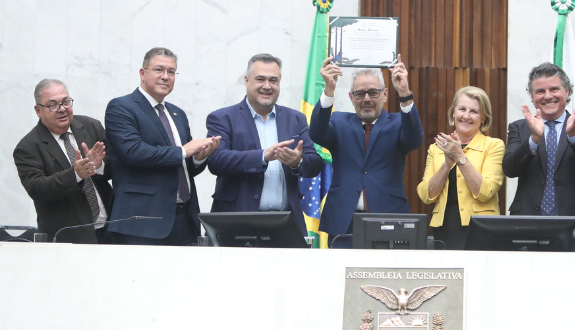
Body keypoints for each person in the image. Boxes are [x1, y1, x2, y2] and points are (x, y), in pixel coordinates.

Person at [105, 47, 220, 245]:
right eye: (159, 70)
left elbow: (183, 165)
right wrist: (185, 150)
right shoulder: (121, 107)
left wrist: (198, 157)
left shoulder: (178, 114)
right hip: (142, 222)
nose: (165, 77)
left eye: (171, 72)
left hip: (184, 219)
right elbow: (132, 152)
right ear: (143, 73)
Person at [310, 55, 424, 243]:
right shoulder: (339, 121)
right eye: (360, 94)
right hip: (343, 221)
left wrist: (404, 93)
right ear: (351, 97)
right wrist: (329, 90)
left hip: (388, 219)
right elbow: (316, 133)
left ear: (385, 94)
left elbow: (415, 140)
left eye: (373, 92)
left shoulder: (398, 123)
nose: (367, 99)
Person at [205, 54, 322, 236]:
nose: (267, 86)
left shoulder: (295, 119)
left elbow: (314, 163)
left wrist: (297, 163)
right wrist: (262, 156)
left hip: (286, 224)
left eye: (273, 80)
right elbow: (216, 160)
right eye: (260, 79)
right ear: (246, 80)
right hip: (237, 222)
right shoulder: (223, 118)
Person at [502, 62, 575, 241]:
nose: (548, 96)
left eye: (554, 89)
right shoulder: (519, 128)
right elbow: (510, 170)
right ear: (533, 96)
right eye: (540, 91)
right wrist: (533, 139)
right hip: (527, 224)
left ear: (567, 91)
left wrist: (574, 135)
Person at [13, 79, 112, 244]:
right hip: (68, 238)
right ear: (38, 110)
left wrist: (99, 166)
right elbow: (38, 189)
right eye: (53, 105)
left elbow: (118, 166)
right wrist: (75, 174)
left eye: (66, 102)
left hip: (109, 229)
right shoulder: (28, 147)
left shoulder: (90, 126)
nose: (62, 109)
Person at [417, 86, 504, 250]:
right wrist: (446, 165)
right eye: (462, 109)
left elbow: (485, 191)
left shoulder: (494, 146)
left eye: (474, 111)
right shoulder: (436, 149)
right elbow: (426, 194)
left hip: (481, 228)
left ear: (483, 118)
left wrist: (459, 157)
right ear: (453, 113)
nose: (466, 116)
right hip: (445, 228)